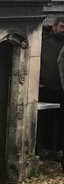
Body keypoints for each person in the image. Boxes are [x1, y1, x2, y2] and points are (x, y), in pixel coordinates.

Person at [39, 15, 64, 166]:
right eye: (62, 27)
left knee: (62, 121)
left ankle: (60, 150)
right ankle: (45, 149)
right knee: (45, 120)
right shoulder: (43, 43)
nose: (63, 30)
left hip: (62, 88)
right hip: (45, 88)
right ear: (54, 27)